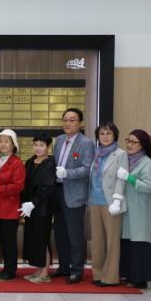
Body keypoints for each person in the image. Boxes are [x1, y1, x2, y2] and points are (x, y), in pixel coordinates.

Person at [52, 108, 95, 284]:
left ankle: (77, 270)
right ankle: (63, 266)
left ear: (80, 123)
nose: (68, 123)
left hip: (74, 194)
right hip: (57, 191)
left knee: (75, 234)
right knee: (60, 232)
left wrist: (67, 173)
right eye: (65, 120)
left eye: (72, 120)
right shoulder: (59, 140)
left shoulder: (86, 143)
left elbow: (87, 168)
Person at [88, 122, 127, 287]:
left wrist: (117, 200)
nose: (105, 137)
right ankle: (97, 274)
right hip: (94, 201)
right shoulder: (96, 153)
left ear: (115, 136)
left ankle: (110, 277)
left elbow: (121, 179)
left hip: (111, 203)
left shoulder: (120, 154)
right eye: (102, 134)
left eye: (108, 133)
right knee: (97, 241)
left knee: (112, 242)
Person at [117, 129, 151, 289]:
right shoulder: (124, 160)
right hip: (126, 209)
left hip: (139, 210)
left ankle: (140, 278)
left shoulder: (147, 163)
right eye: (128, 141)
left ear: (143, 145)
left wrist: (129, 178)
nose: (130, 144)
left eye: (134, 142)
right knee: (127, 241)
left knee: (139, 243)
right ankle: (128, 274)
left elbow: (148, 187)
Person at [0, 129, 26, 282]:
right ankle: (6, 268)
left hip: (10, 208)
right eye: (0, 141)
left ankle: (11, 270)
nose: (3, 144)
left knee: (9, 241)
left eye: (6, 141)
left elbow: (18, 186)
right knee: (3, 240)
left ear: (13, 144)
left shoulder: (17, 163)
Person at [19, 133, 56, 284]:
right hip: (30, 208)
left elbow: (47, 188)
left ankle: (45, 272)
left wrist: (34, 203)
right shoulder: (29, 162)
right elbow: (25, 185)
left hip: (43, 208)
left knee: (42, 239)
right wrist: (24, 204)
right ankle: (39, 269)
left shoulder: (51, 163)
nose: (38, 148)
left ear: (48, 147)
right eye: (36, 145)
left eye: (42, 145)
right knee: (34, 239)